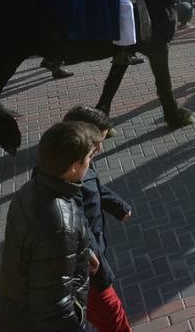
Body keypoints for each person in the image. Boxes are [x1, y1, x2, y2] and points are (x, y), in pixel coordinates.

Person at [0, 120, 100, 331]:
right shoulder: (60, 225)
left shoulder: (31, 190)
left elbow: (42, 252)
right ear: (73, 167)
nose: (90, 163)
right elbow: (55, 312)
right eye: (89, 158)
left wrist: (81, 252)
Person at [62, 107, 134, 332]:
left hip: (91, 259)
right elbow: (77, 225)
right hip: (88, 269)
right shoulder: (68, 176)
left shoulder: (78, 162)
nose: (100, 148)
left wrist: (118, 206)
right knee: (113, 319)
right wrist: (96, 263)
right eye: (97, 141)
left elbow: (93, 187)